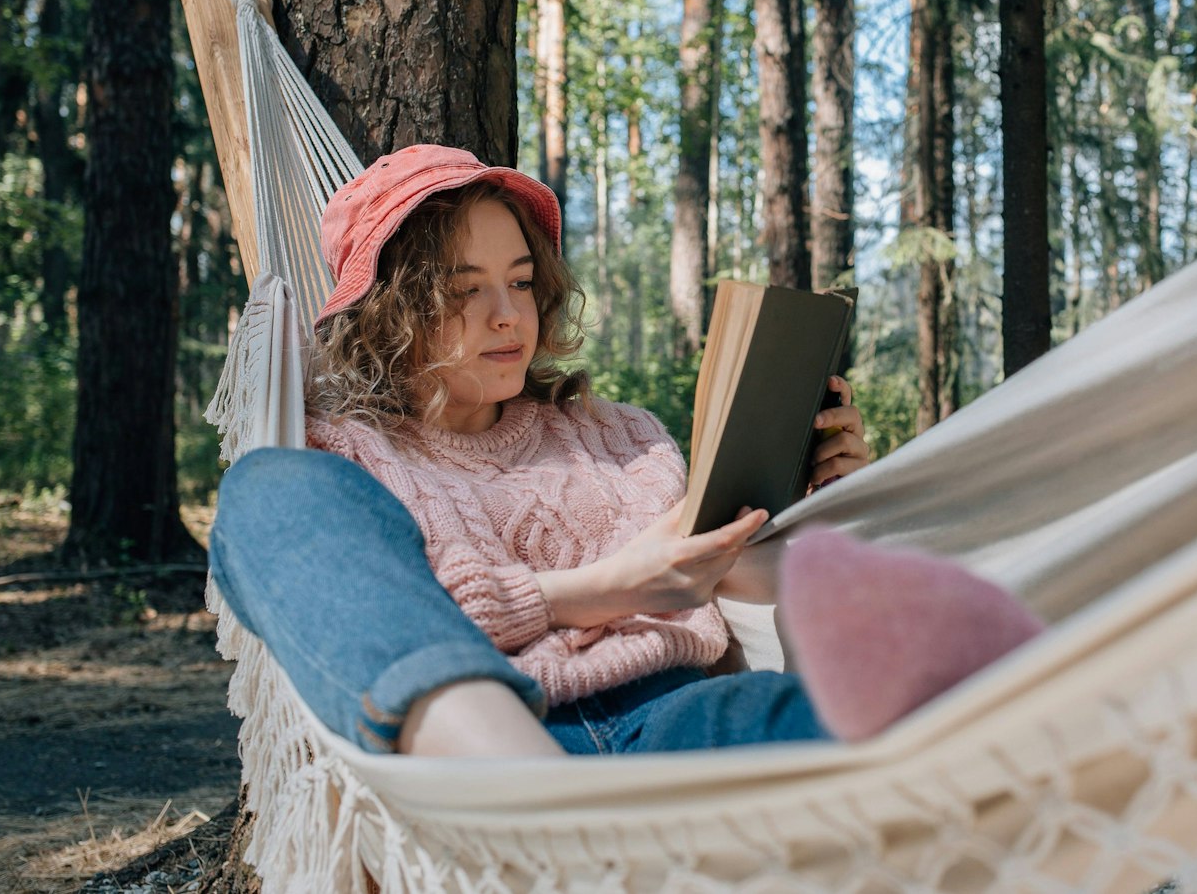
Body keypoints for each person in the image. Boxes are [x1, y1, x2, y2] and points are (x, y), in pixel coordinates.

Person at [208, 146, 1041, 758]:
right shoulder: (344, 453)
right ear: (391, 310)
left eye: (521, 280)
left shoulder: (623, 436)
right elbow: (374, 618)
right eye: (464, 291)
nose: (508, 314)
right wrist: (607, 588)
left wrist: (820, 504)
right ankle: (528, 804)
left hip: (678, 720)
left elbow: (741, 589)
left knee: (944, 715)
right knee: (264, 487)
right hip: (491, 736)